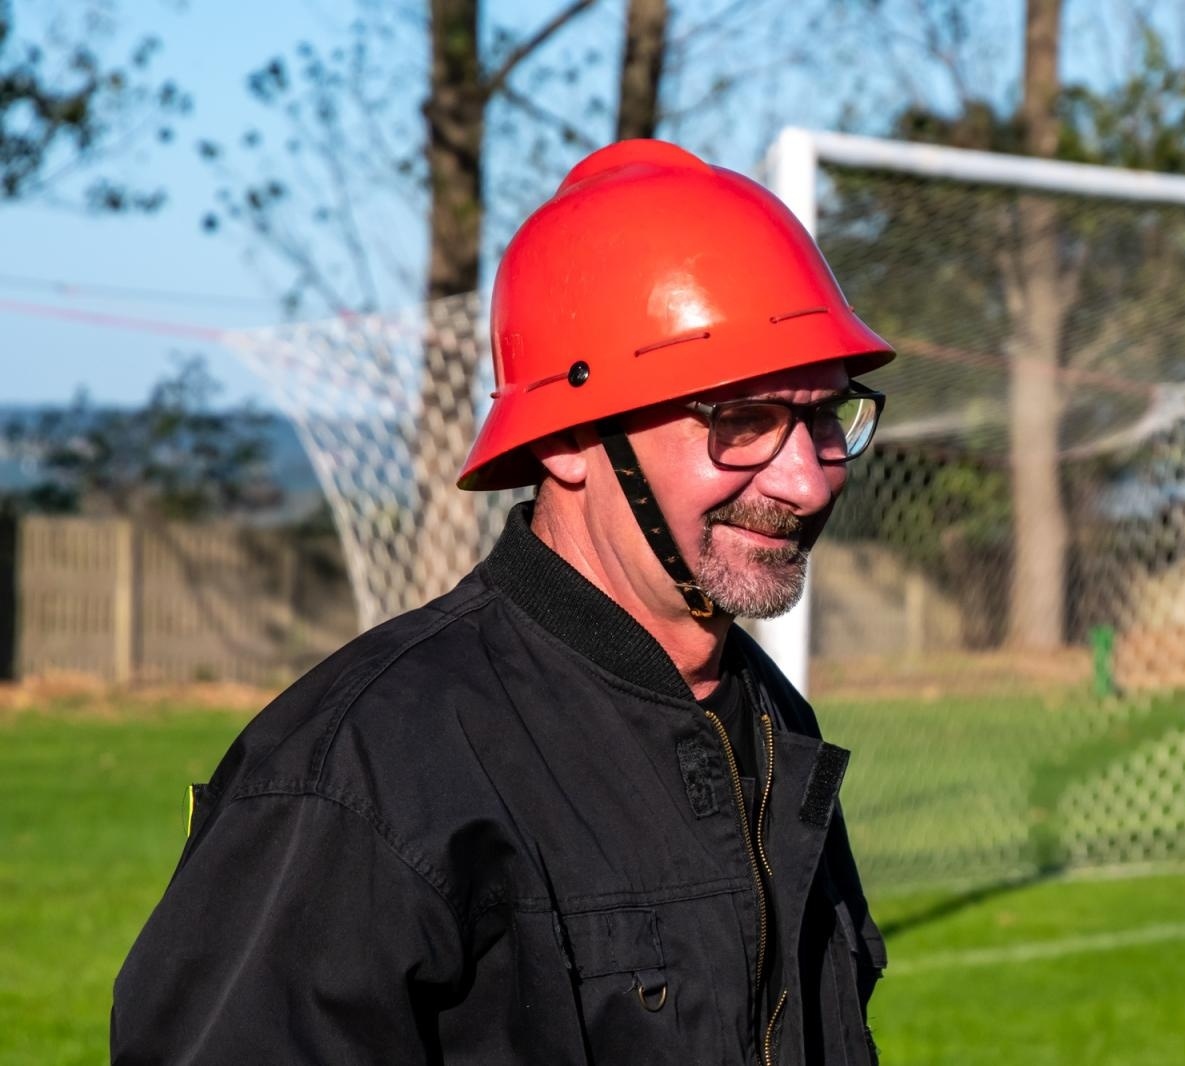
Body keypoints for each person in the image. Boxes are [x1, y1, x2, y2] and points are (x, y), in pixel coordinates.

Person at [111, 138, 893, 1065]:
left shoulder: (771, 727)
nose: (806, 480)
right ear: (566, 440)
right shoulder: (358, 775)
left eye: (822, 417)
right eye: (744, 420)